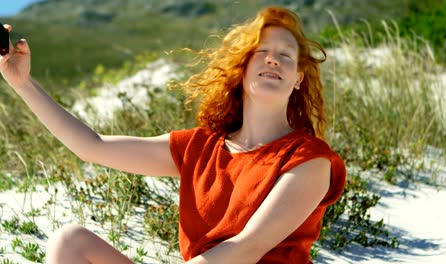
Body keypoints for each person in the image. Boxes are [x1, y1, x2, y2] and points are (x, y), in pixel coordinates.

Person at [0, 6, 346, 264]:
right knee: (69, 241)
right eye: (262, 52)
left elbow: (248, 247)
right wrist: (23, 84)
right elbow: (92, 147)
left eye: (285, 56)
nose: (273, 61)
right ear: (242, 68)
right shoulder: (200, 147)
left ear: (299, 77)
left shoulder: (310, 159)